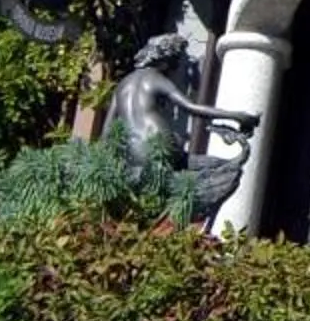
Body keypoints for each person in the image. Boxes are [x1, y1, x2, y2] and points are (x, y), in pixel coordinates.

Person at [103, 33, 257, 225]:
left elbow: (106, 132)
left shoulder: (122, 85)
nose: (177, 67)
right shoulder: (155, 78)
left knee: (216, 166)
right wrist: (236, 116)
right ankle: (187, 209)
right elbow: (191, 108)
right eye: (177, 60)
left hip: (134, 156)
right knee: (221, 168)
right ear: (167, 60)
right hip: (162, 152)